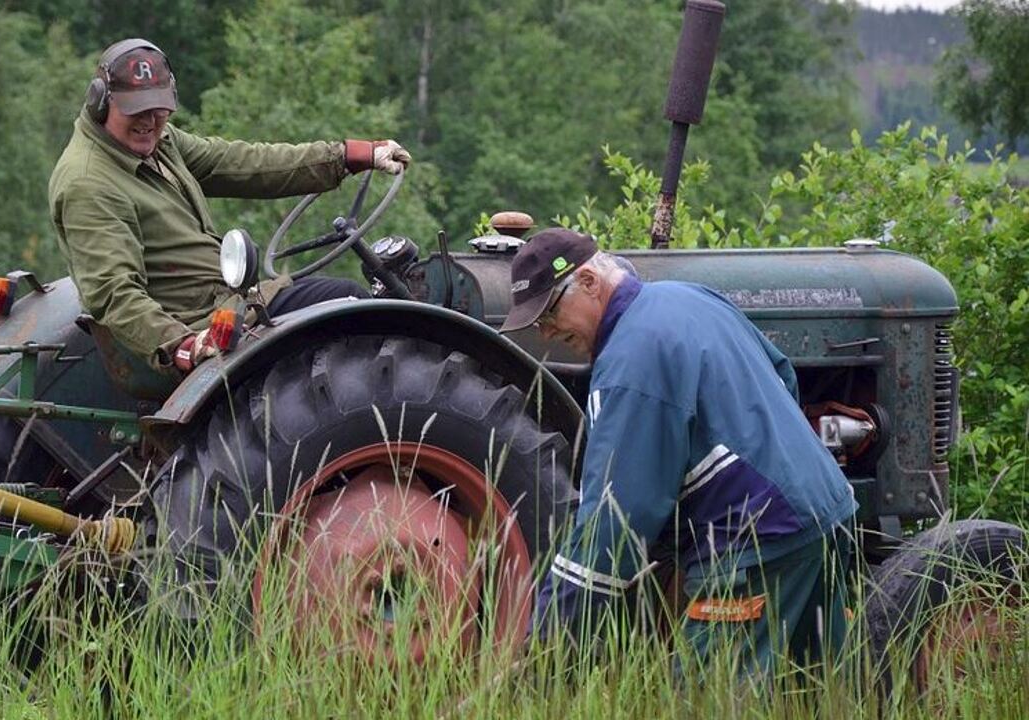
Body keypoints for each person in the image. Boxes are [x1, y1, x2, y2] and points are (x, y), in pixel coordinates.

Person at [500, 228, 857, 674]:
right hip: (828, 511)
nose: (548, 333)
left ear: (590, 282)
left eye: (550, 311)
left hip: (758, 543)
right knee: (817, 690)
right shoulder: (690, 297)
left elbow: (615, 519)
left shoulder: (630, 364)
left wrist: (548, 641)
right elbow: (782, 378)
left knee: (704, 698)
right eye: (538, 324)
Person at [49, 38, 411, 373]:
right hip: (196, 327)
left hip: (229, 304)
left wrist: (346, 156)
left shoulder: (160, 142)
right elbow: (114, 294)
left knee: (345, 301)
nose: (149, 121)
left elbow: (240, 163)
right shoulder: (88, 182)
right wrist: (182, 345)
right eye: (135, 110)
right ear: (101, 102)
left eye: (158, 109)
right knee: (355, 312)